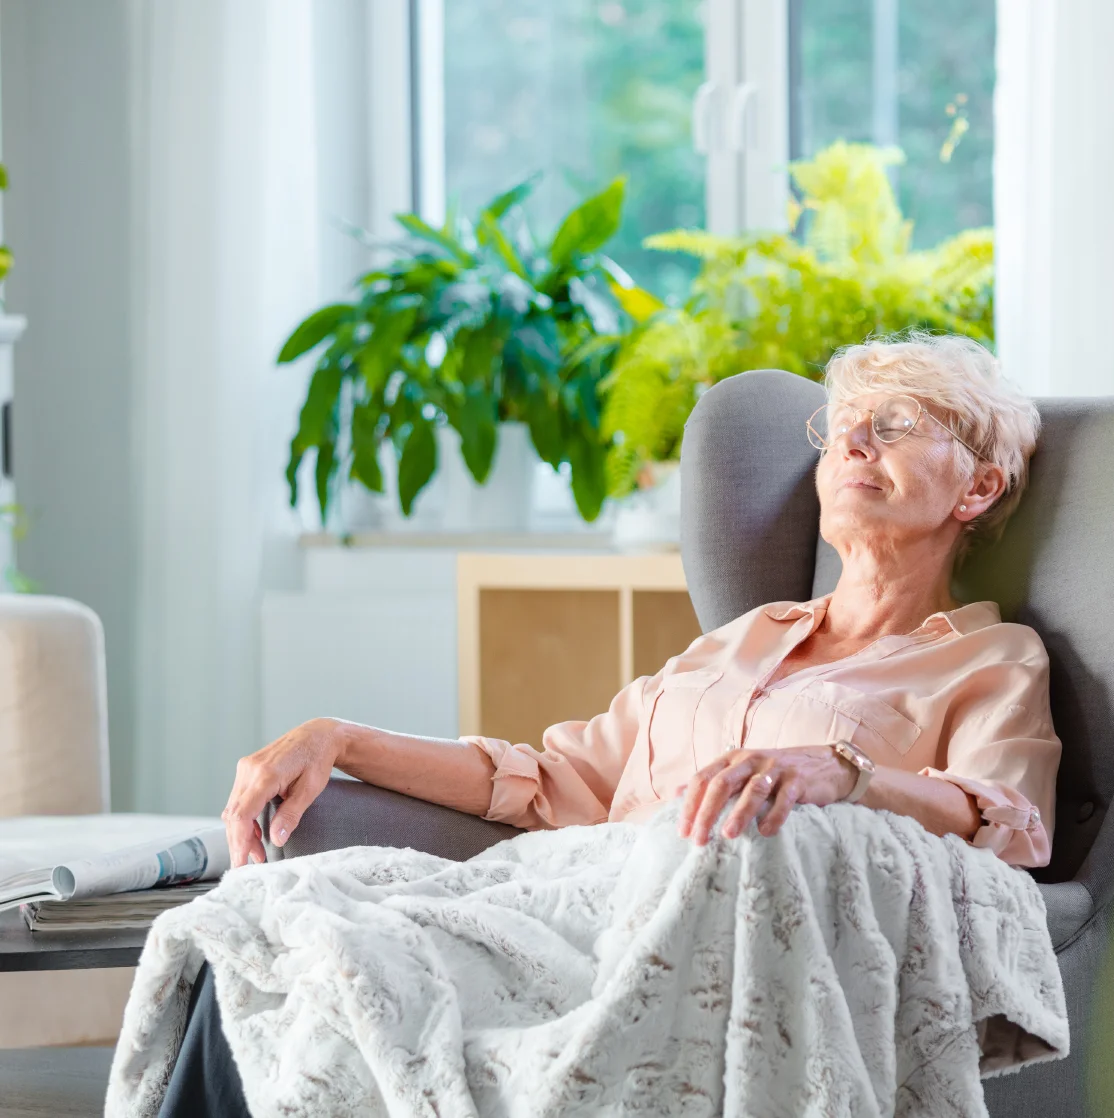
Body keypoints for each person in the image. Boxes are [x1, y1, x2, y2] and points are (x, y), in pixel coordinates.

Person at [160, 331, 1061, 1115]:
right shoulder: (737, 643)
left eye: (895, 423)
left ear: (977, 488)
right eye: (842, 429)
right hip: (560, 902)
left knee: (348, 967)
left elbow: (1010, 826)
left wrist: (845, 774)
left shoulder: (989, 659)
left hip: (683, 949)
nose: (854, 440)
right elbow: (551, 783)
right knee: (277, 932)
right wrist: (340, 737)